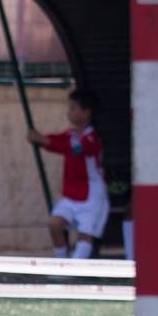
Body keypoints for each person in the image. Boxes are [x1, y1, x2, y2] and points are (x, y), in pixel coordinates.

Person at [25, 89, 105, 261]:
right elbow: (56, 141)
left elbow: (72, 150)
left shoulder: (91, 138)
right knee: (54, 224)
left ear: (86, 112)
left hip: (91, 195)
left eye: (73, 108)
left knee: (85, 235)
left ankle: (75, 269)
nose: (69, 112)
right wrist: (39, 138)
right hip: (71, 194)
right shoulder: (70, 134)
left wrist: (43, 141)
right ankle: (62, 264)